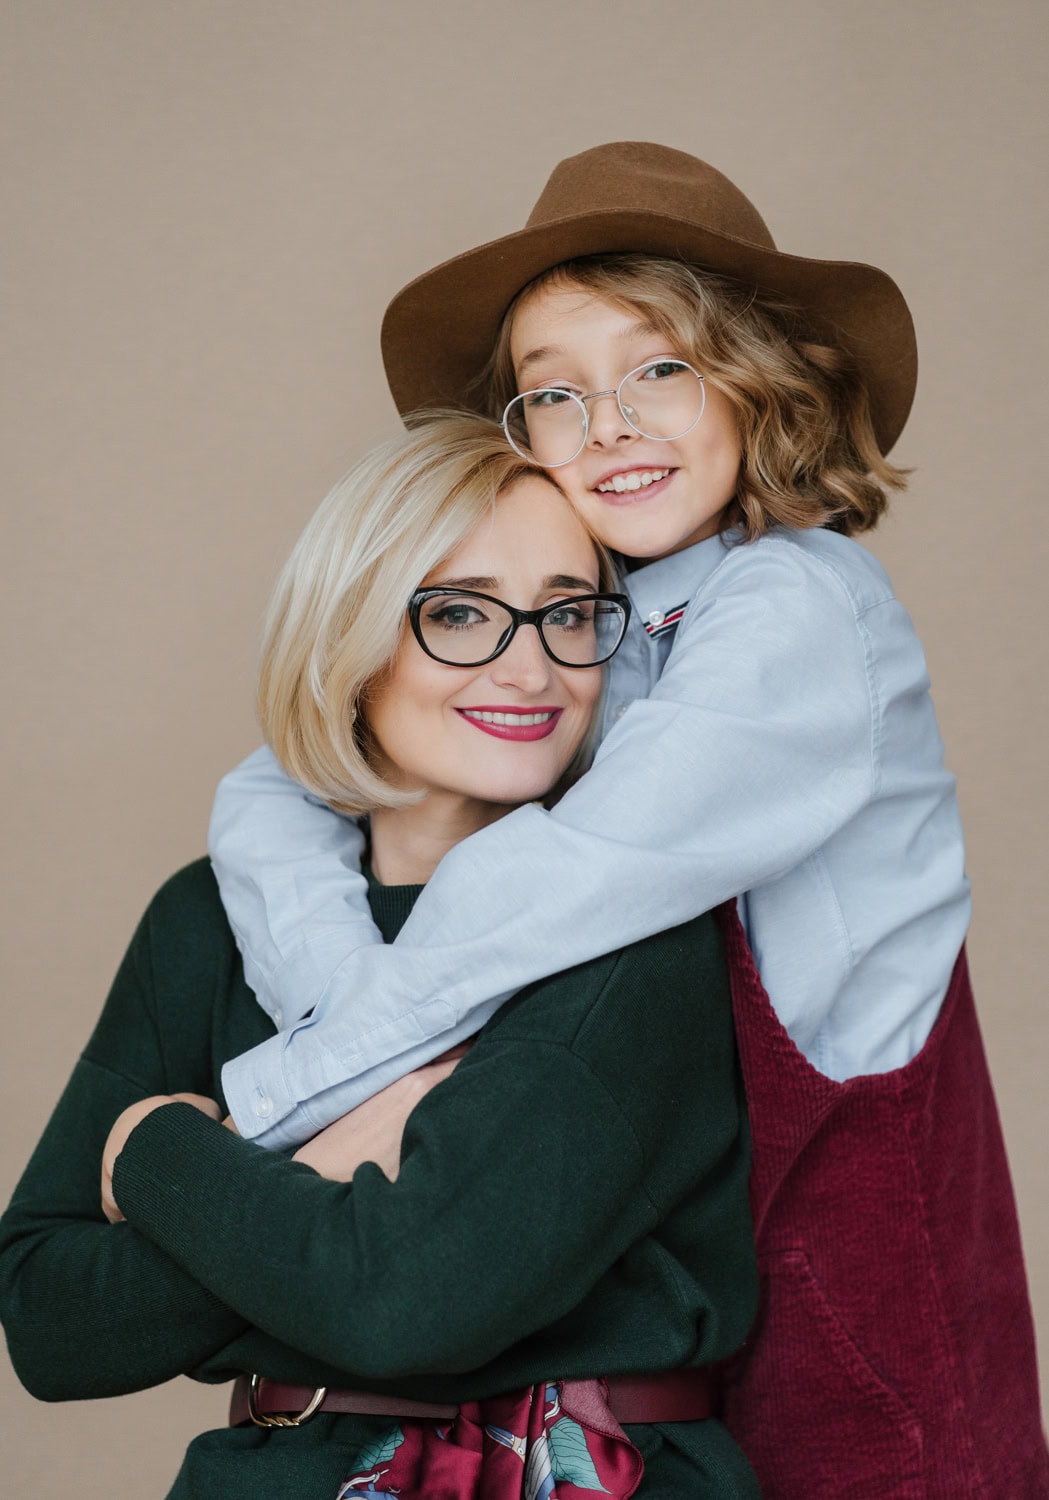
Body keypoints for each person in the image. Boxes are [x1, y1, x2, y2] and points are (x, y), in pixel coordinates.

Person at [207, 143, 1049, 1497]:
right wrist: (357, 1025)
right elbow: (273, 785)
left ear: (757, 377)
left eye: (659, 367)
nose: (609, 426)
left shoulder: (796, 615)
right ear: (520, 434)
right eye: (556, 392)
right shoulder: (607, 630)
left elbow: (558, 885)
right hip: (680, 1326)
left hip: (851, 1319)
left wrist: (273, 1106)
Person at [0, 415, 761, 1500]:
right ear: (348, 644)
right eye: (457, 612)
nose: (529, 665)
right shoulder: (206, 918)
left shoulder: (632, 929)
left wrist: (159, 1149)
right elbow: (51, 1326)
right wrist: (325, 1162)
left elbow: (408, 1301)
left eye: (567, 613)